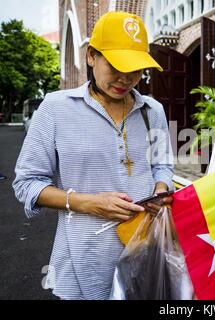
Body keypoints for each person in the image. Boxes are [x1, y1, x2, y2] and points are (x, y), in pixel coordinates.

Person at [12, 11, 174, 300]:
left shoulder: (153, 111)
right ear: (91, 56)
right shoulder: (56, 108)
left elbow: (161, 165)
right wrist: (89, 203)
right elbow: (27, 184)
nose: (126, 78)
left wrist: (161, 190)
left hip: (145, 252)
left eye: (136, 69)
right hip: (82, 262)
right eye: (116, 65)